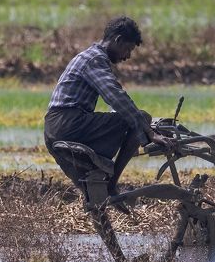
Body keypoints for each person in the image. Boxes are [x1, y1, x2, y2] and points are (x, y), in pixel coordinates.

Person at [44, 16, 175, 199]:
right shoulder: (95, 59)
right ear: (118, 40)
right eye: (128, 49)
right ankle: (113, 182)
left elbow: (113, 103)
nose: (127, 56)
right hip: (69, 124)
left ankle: (105, 221)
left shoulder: (88, 56)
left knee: (95, 196)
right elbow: (115, 96)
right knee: (142, 118)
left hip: (55, 129)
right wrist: (148, 131)